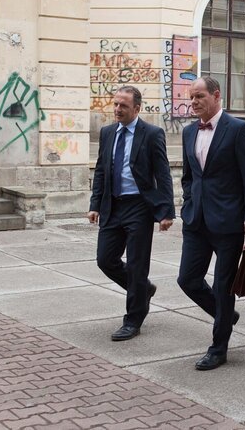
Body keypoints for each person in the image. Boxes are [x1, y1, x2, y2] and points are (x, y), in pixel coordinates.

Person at [177, 77, 245, 371]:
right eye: (191, 97)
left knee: (223, 286)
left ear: (216, 95)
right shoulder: (188, 132)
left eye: (199, 96)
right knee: (187, 279)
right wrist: (188, 201)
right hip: (196, 220)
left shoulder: (238, 130)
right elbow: (189, 175)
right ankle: (226, 315)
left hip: (228, 222)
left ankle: (218, 347)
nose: (194, 102)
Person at [88, 85, 175, 342]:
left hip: (139, 206)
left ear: (136, 108)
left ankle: (133, 319)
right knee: (105, 259)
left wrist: (166, 211)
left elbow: (163, 174)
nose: (117, 109)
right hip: (112, 205)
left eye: (123, 105)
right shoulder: (107, 133)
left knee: (137, 265)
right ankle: (143, 290)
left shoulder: (151, 134)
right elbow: (101, 170)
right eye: (115, 104)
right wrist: (94, 204)